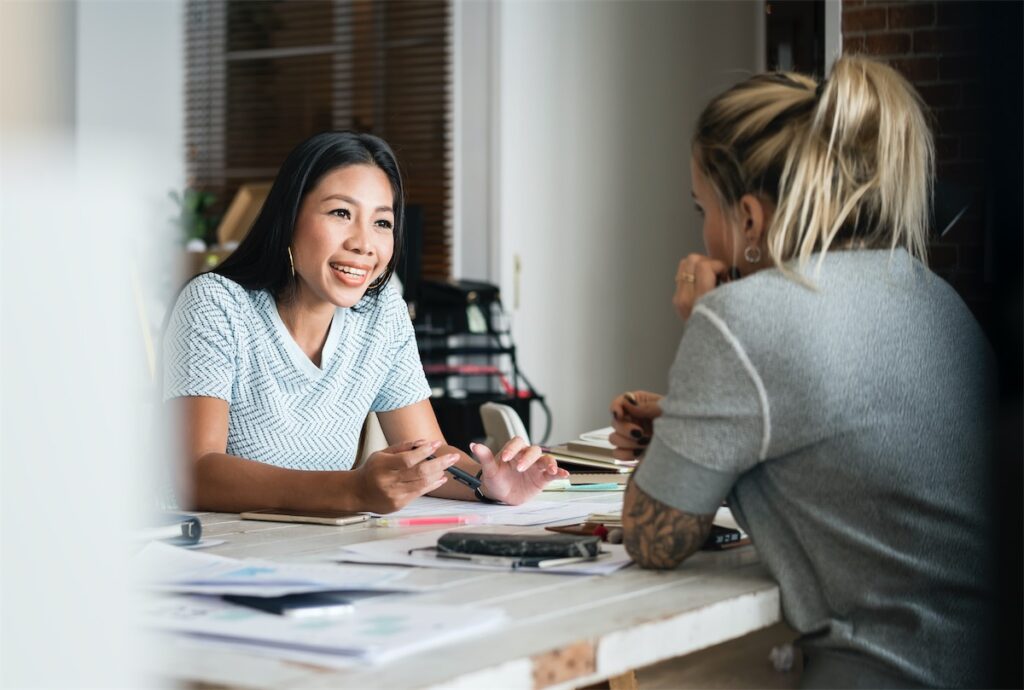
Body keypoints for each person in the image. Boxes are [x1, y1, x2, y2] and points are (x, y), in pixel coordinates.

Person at [609, 57, 994, 688]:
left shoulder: (742, 315)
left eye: (701, 207)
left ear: (751, 220)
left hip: (885, 669)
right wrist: (692, 428)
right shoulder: (931, 293)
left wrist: (707, 318)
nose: (703, 233)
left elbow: (654, 541)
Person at [164, 131, 567, 514]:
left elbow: (426, 456)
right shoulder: (216, 303)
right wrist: (353, 489)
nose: (363, 243)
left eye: (382, 223)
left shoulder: (381, 314)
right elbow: (195, 476)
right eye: (341, 213)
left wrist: (487, 483)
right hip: (216, 560)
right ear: (288, 218)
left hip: (322, 552)